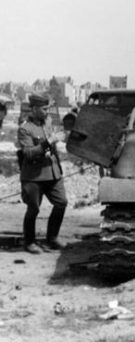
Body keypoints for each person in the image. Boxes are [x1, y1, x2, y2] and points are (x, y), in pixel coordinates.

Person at [17, 93, 67, 254]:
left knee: (61, 202)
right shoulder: (25, 128)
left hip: (52, 172)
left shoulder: (48, 122)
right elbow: (29, 153)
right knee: (33, 209)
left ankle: (52, 237)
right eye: (45, 108)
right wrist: (49, 141)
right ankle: (29, 242)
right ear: (35, 108)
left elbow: (53, 145)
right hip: (33, 176)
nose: (47, 111)